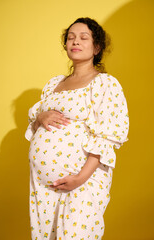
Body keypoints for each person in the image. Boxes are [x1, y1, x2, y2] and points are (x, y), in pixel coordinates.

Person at [25, 17, 129, 240]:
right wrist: (40, 117)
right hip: (43, 187)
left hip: (83, 180)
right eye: (71, 37)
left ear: (97, 47)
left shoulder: (105, 84)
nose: (76, 42)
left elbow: (107, 137)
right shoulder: (55, 84)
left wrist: (81, 177)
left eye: (84, 38)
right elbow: (35, 125)